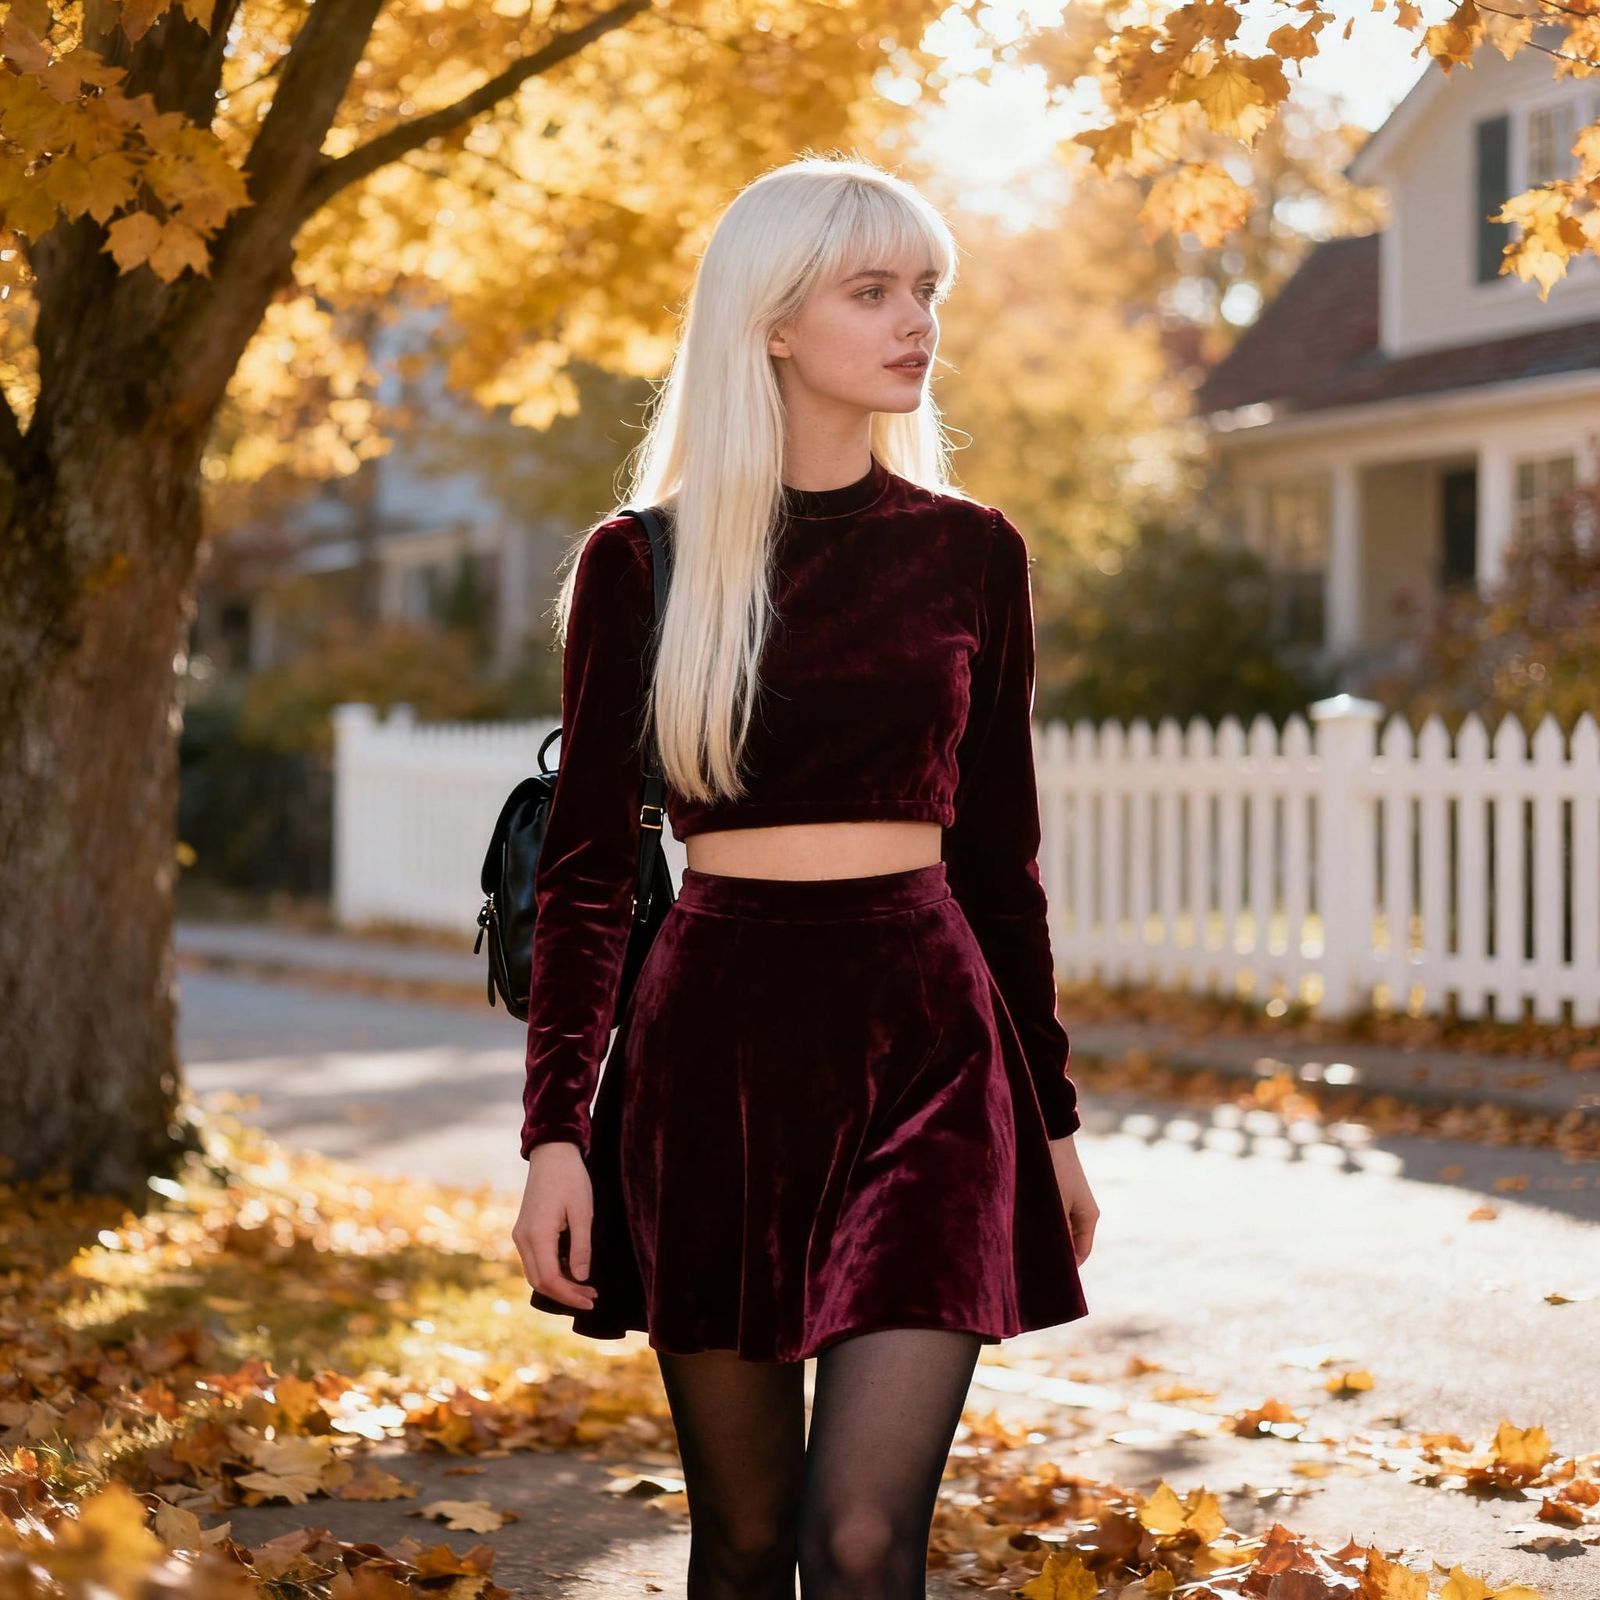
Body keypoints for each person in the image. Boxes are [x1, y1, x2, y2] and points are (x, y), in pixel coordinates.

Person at [511, 152, 1100, 1599]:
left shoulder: (973, 553)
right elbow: (587, 877)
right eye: (874, 291)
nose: (918, 323)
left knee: (859, 1541)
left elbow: (1002, 867)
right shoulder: (642, 563)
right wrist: (552, 1138)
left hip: (931, 1052)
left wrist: (1056, 1122)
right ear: (774, 320)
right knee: (751, 1537)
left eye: (927, 293)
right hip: (713, 1062)